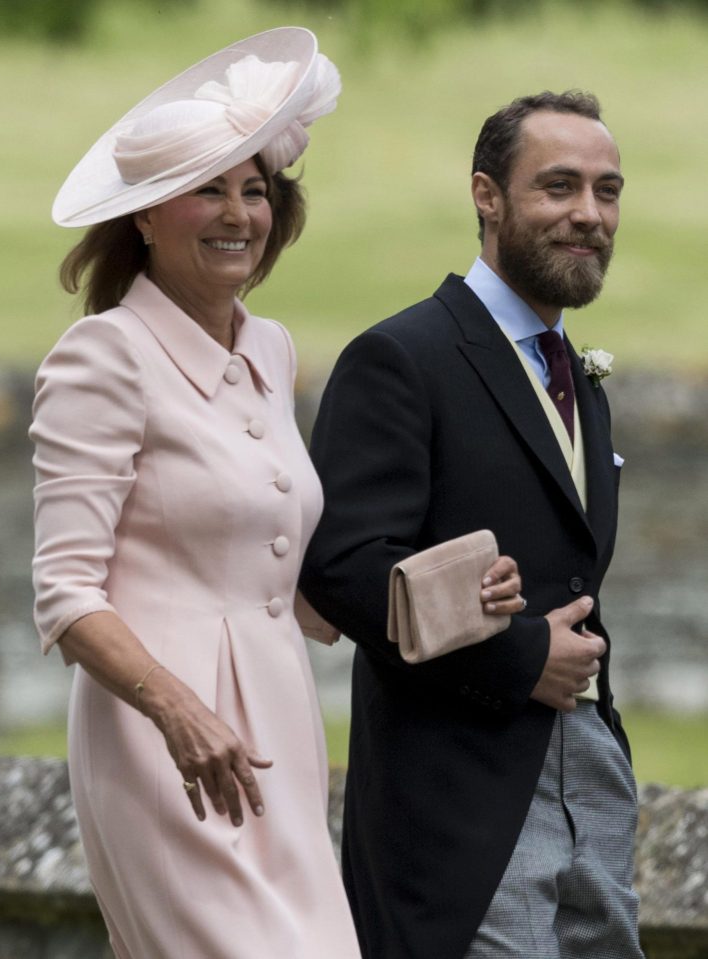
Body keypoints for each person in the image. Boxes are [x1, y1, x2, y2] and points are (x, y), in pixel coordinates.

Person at [30, 27, 363, 959]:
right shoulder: (104, 357)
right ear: (142, 215)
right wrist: (178, 711)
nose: (238, 213)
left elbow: (272, 552)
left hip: (279, 724)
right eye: (206, 188)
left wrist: (430, 601)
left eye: (253, 188)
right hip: (162, 740)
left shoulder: (272, 348)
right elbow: (65, 595)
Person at [299, 91, 645, 959]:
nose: (589, 214)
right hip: (456, 800)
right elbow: (339, 565)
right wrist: (521, 655)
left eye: (607, 191)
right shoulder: (400, 358)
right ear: (486, 196)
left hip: (590, 773)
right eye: (558, 187)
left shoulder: (579, 377)